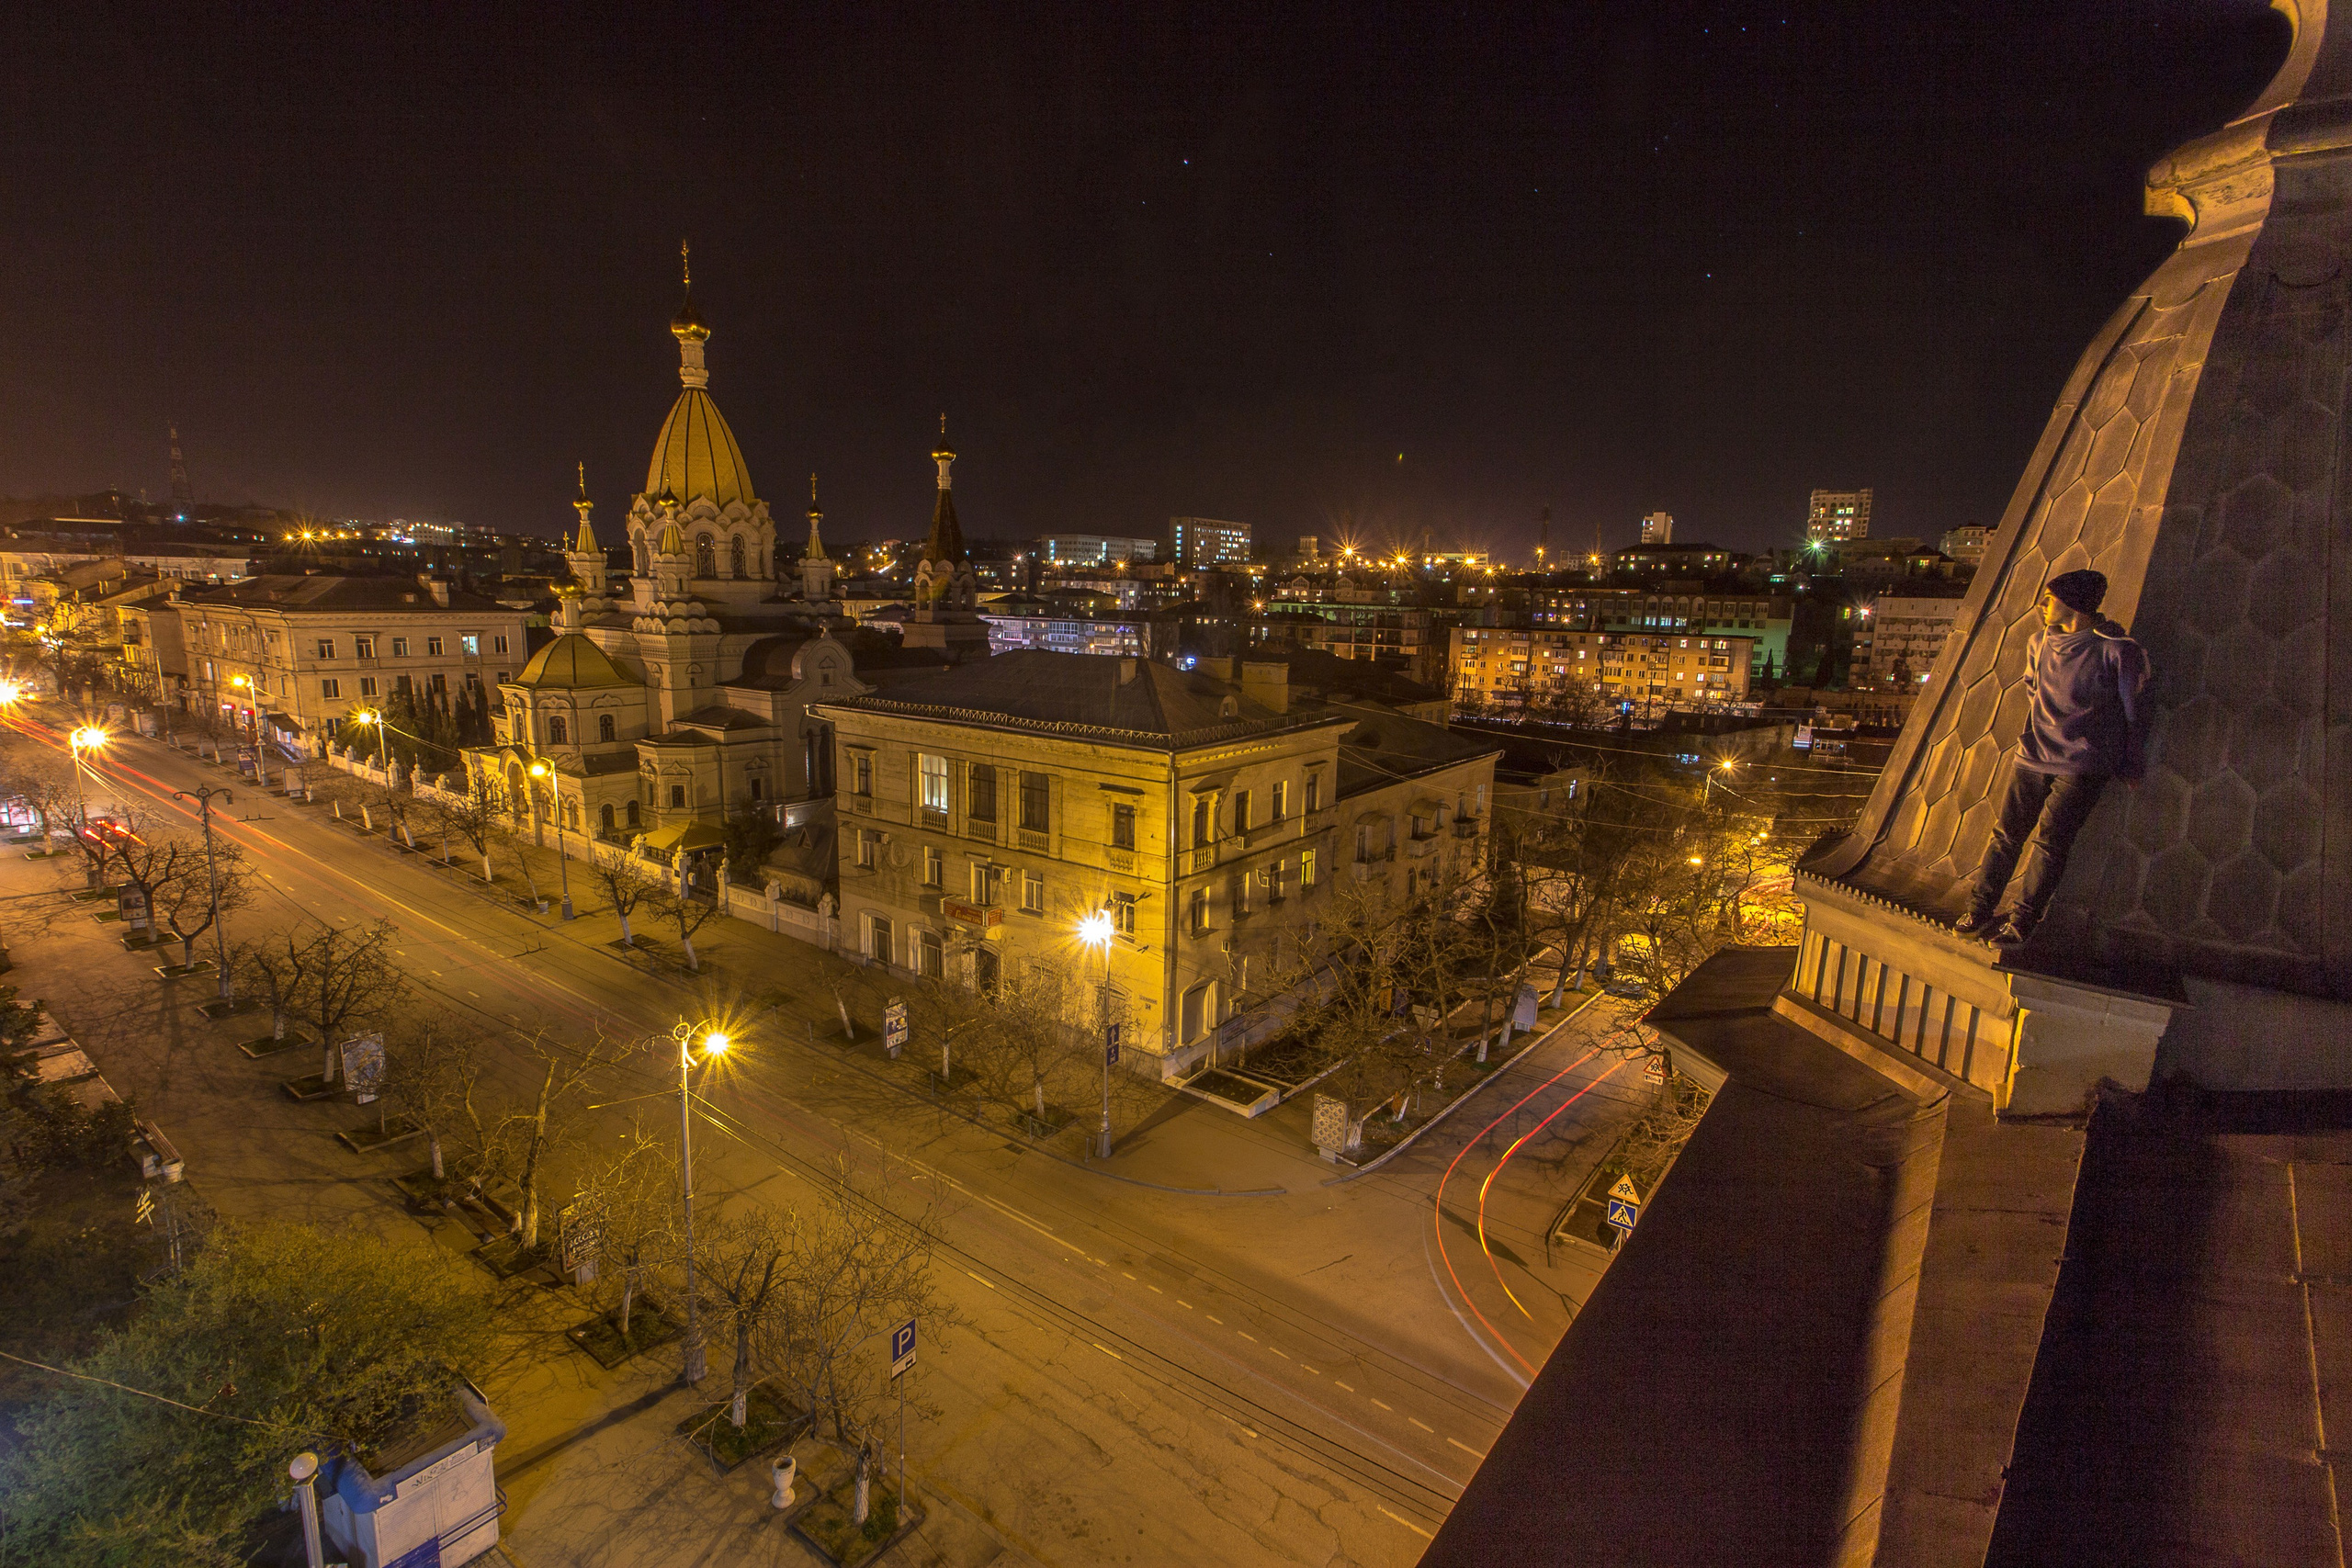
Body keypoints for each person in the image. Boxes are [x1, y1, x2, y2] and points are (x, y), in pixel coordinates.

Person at [1954, 569, 2152, 947]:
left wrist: (2130, 762)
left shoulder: (2117, 650)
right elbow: (2033, 687)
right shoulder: (2038, 642)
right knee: (2006, 836)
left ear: (2073, 603)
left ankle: (2022, 921)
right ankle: (1980, 909)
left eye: (2050, 598)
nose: (2042, 605)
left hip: (2082, 764)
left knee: (2050, 843)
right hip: (2032, 755)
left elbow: (2136, 710)